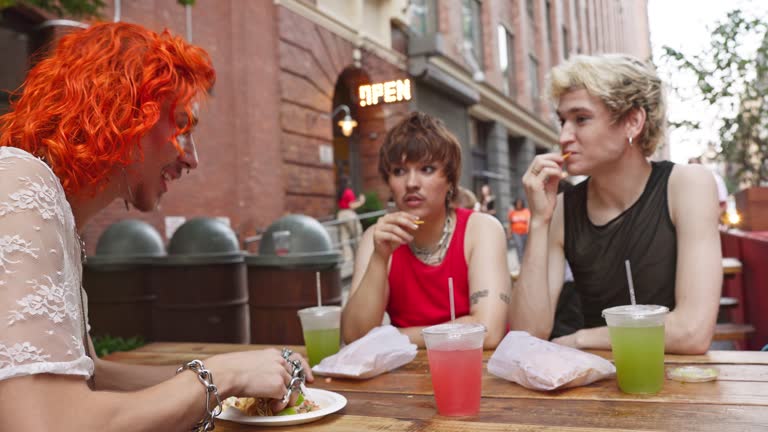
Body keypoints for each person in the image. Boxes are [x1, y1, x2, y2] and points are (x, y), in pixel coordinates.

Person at [0, 22, 312, 431]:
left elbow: (94, 376)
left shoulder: (57, 214)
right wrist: (222, 377)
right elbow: (49, 423)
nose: (193, 159)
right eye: (182, 125)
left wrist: (242, 375)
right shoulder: (20, 182)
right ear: (123, 110)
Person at [509, 54, 722, 354]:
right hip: (596, 385)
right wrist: (540, 221)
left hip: (676, 378)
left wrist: (581, 338)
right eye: (562, 121)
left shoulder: (687, 185)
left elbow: (692, 331)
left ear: (632, 122)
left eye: (581, 119)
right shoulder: (561, 210)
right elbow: (527, 334)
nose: (563, 137)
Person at [341, 112, 509, 348]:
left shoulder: (481, 229)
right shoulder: (377, 239)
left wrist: (389, 337)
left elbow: (488, 331)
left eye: (427, 169)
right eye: (399, 171)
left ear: (450, 180)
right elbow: (355, 337)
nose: (411, 183)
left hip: (478, 372)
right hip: (405, 379)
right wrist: (380, 257)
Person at [688, 156, 728, 221]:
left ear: (700, 166)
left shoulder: (714, 179)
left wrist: (709, 220)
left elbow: (723, 204)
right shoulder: (689, 184)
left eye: (694, 167)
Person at [336, 175, 366, 262]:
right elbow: (352, 205)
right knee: (357, 235)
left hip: (341, 215)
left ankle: (348, 259)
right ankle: (361, 257)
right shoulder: (348, 192)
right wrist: (361, 201)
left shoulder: (339, 193)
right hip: (349, 214)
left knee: (344, 238)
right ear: (347, 182)